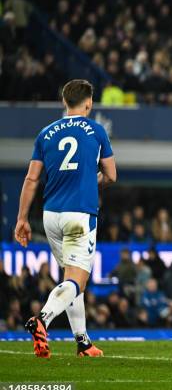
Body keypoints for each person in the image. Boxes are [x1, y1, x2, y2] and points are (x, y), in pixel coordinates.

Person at [15, 79, 116, 358]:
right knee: (76, 280)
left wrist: (22, 218)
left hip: (50, 216)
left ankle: (82, 342)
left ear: (64, 102)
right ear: (89, 103)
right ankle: (42, 320)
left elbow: (32, 178)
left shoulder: (45, 133)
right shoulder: (95, 130)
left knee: (71, 280)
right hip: (79, 214)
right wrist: (89, 182)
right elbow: (111, 175)